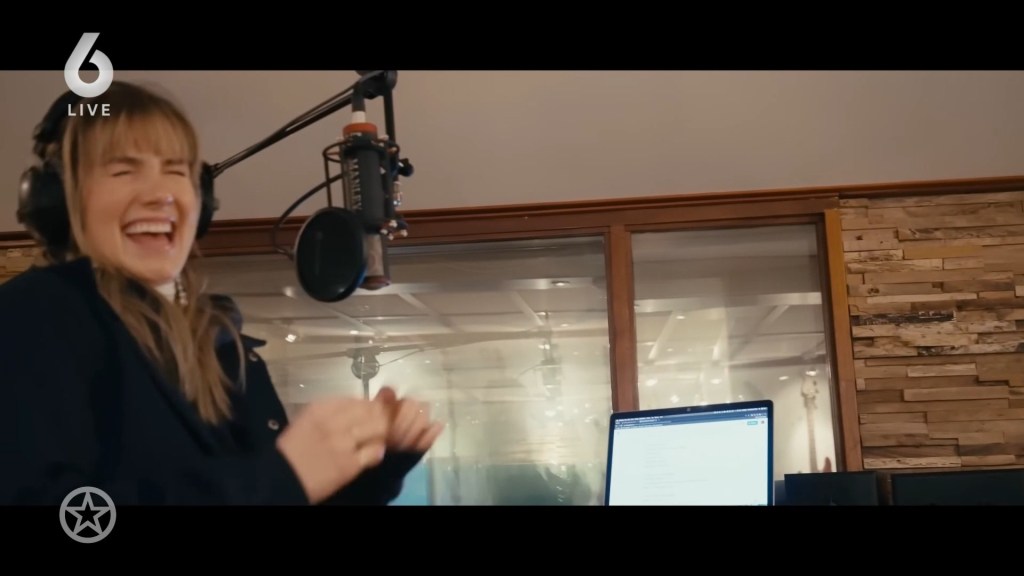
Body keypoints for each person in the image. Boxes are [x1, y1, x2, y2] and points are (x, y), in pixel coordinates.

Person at [0, 80, 445, 505]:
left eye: (176, 171)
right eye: (123, 170)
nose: (161, 194)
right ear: (61, 201)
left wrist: (374, 466)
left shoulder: (222, 344)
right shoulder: (32, 316)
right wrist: (286, 475)